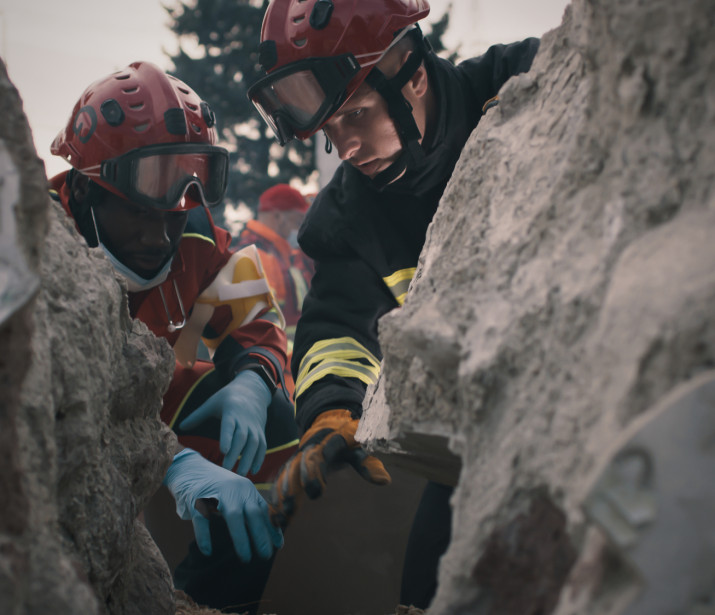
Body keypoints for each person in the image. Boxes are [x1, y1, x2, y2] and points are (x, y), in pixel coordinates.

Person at [247, 0, 540, 608]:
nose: (347, 148)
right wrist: (331, 410)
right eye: (331, 130)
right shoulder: (351, 216)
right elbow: (336, 326)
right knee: (428, 591)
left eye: (356, 113)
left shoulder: (527, 85)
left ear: (414, 77)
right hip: (481, 431)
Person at [49, 61, 298, 614]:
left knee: (276, 423)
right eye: (141, 212)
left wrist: (255, 383)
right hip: (68, 429)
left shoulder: (191, 237)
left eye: (175, 214)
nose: (160, 235)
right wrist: (176, 464)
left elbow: (256, 321)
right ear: (88, 193)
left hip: (152, 412)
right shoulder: (38, 248)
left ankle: (206, 602)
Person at [236, 184, 314, 392]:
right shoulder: (260, 259)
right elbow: (263, 331)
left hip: (282, 373)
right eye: (298, 221)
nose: (301, 227)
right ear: (278, 217)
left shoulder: (276, 255)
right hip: (279, 376)